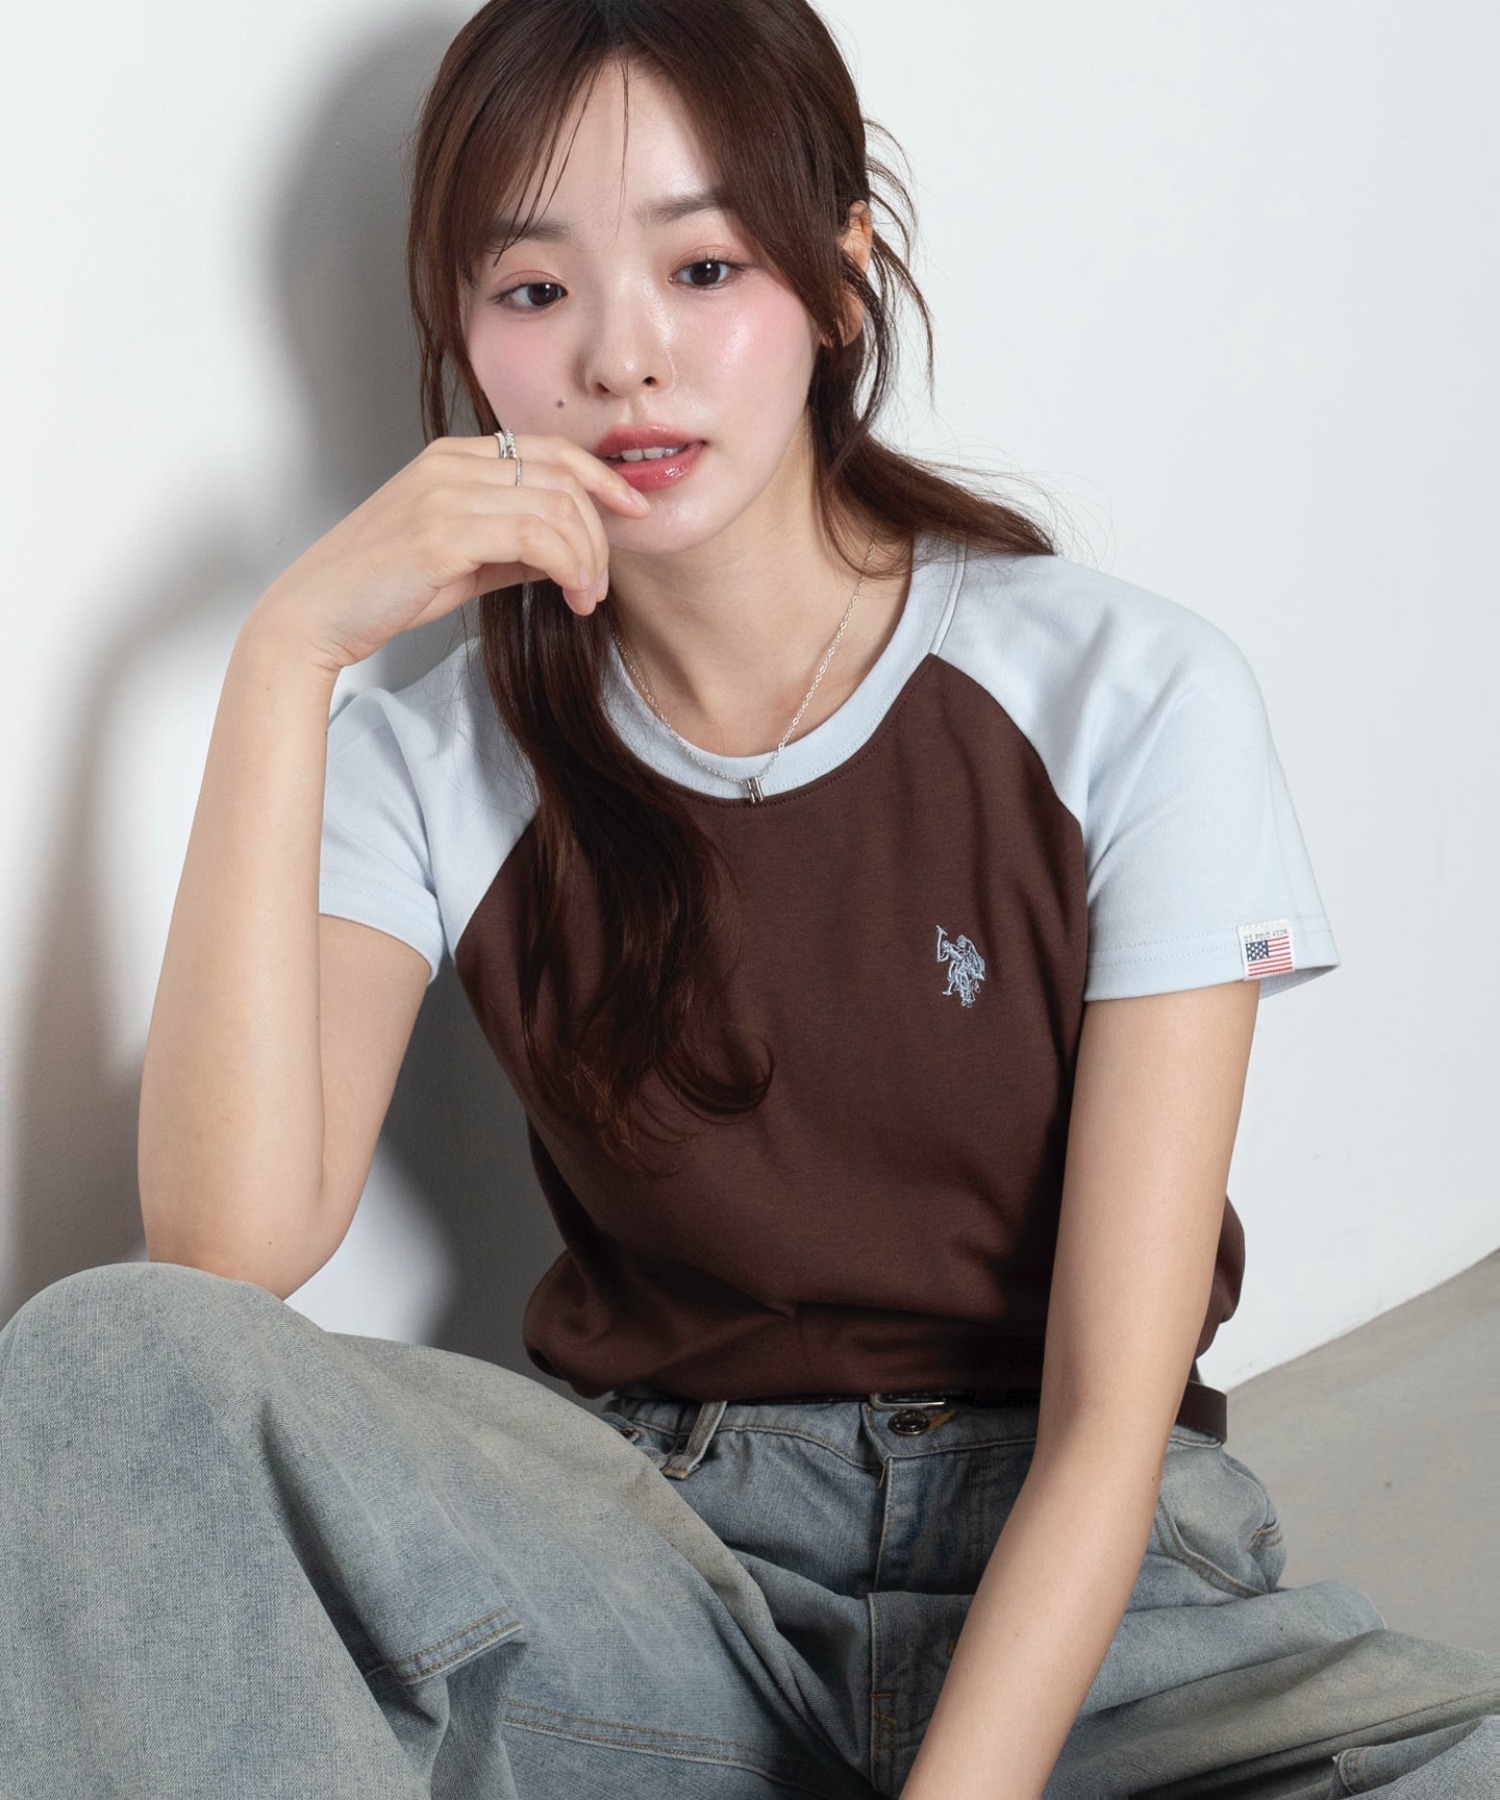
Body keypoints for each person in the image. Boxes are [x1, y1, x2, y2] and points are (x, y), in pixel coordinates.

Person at [1, 1, 1495, 1795]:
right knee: (96, 1361)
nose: (623, 359)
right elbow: (220, 1257)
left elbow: (1112, 1409)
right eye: (534, 290)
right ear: (463, 332)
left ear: (841, 280)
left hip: (1101, 1602)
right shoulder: (433, 760)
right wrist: (287, 650)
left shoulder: (1127, 695)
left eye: (702, 267)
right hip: (659, 1581)